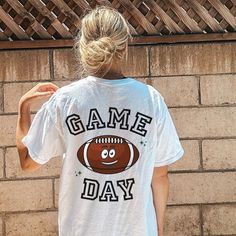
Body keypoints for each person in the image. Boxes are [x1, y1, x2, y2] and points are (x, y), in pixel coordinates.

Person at [16, 5, 184, 236]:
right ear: (124, 46)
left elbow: (27, 161)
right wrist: (158, 229)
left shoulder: (65, 101)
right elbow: (160, 175)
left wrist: (23, 107)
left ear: (83, 47)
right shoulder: (151, 100)